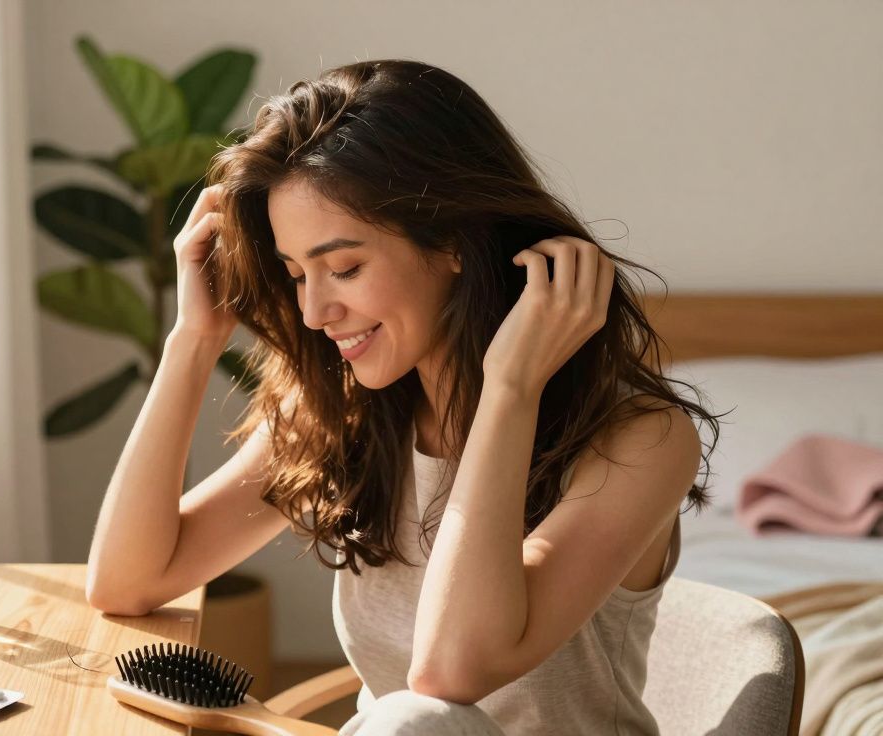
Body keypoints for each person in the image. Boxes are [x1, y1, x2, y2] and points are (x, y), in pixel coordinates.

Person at [86, 59, 720, 735]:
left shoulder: (640, 440)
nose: (313, 312)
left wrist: (509, 388)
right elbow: (128, 581)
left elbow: (451, 674)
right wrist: (193, 338)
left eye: (345, 267)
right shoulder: (345, 412)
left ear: (451, 240)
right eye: (297, 274)